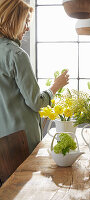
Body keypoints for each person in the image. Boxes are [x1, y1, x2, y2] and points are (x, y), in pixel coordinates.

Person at [0, 0, 69, 153]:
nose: (27, 27)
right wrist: (55, 86)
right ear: (13, 20)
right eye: (25, 21)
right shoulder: (17, 55)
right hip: (20, 141)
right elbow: (36, 102)